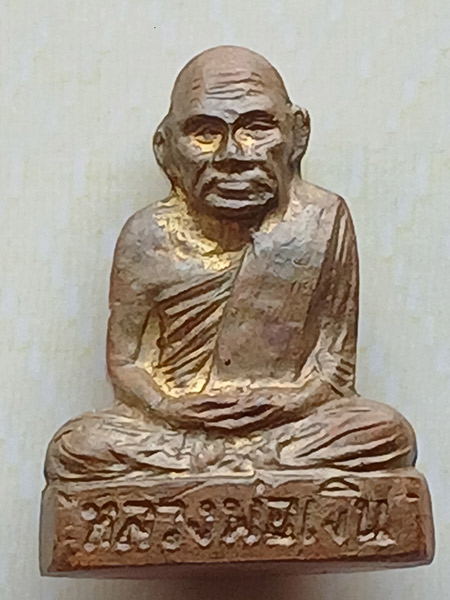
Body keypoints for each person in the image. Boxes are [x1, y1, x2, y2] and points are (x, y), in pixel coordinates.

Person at [45, 46, 416, 482]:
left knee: (387, 432)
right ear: (165, 148)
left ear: (298, 134)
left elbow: (335, 368)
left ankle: (225, 466)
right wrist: (169, 407)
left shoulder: (322, 219)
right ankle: (246, 467)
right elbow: (125, 363)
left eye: (256, 128)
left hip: (288, 423)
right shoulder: (148, 234)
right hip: (179, 427)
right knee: (77, 446)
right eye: (205, 133)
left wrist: (288, 402)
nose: (233, 154)